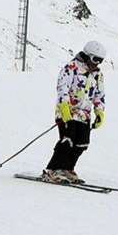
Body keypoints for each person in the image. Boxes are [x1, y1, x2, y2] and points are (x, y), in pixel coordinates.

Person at [43, 40, 107, 183]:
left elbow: (99, 95)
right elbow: (62, 88)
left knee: (82, 143)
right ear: (87, 55)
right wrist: (64, 108)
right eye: (95, 59)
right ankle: (53, 169)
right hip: (68, 111)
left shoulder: (97, 74)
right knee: (68, 140)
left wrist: (99, 112)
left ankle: (68, 168)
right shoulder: (71, 68)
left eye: (100, 61)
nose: (97, 63)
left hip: (84, 114)